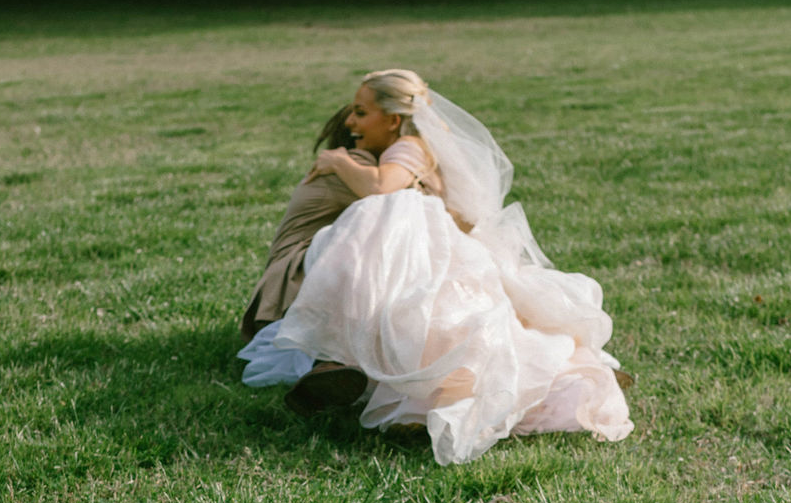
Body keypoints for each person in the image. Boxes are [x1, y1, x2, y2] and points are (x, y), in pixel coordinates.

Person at [253, 69, 634, 465]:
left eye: (360, 112)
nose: (350, 123)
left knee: (394, 211)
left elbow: (383, 189)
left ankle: (562, 379)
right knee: (446, 325)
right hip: (399, 258)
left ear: (394, 120)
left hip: (360, 255)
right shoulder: (427, 158)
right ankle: (564, 375)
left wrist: (333, 158)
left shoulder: (409, 149)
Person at [237, 105, 376, 386]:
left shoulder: (346, 163)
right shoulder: (356, 164)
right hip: (292, 282)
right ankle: (333, 358)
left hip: (296, 278)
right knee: (359, 237)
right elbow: (405, 202)